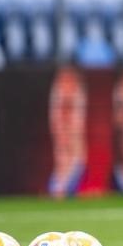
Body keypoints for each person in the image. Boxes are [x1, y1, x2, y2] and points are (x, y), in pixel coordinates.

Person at [48, 66, 88, 197]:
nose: (63, 116)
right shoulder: (39, 184)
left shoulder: (96, 182)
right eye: (57, 106)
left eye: (70, 106)